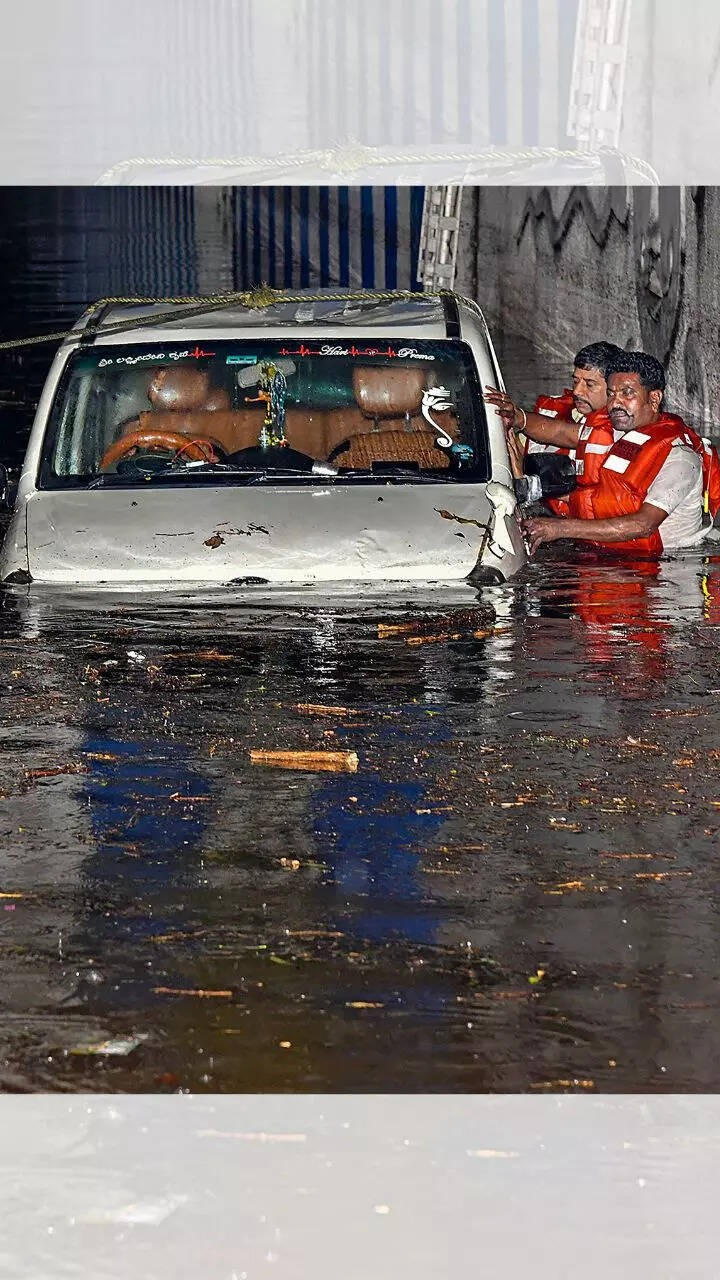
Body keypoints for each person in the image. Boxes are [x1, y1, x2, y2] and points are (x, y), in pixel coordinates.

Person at [518, 351, 720, 557]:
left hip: (666, 565)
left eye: (627, 393)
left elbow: (643, 524)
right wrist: (518, 418)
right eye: (611, 394)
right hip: (610, 554)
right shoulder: (617, 431)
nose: (615, 403)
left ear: (654, 398)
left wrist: (558, 529)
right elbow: (558, 431)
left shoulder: (681, 458)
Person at [485, 340, 622, 514]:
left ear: (614, 387)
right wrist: (510, 422)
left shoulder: (620, 430)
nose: (578, 391)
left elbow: (565, 434)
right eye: (576, 381)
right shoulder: (553, 410)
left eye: (589, 384)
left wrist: (523, 481)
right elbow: (520, 449)